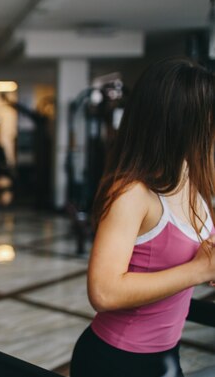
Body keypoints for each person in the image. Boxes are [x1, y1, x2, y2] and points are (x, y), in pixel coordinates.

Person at [70, 57, 215, 377]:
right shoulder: (132, 193)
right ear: (179, 123)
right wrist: (198, 269)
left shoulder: (193, 177)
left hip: (166, 353)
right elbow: (104, 292)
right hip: (118, 361)